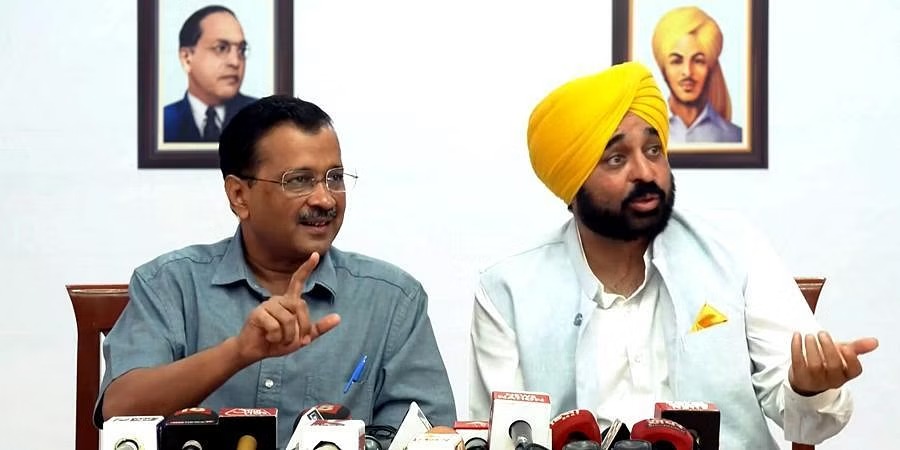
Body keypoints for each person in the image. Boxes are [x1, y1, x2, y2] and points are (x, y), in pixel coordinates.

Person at [468, 62, 878, 448]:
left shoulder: (734, 249)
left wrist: (808, 388)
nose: (646, 173)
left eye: (653, 151)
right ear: (571, 184)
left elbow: (810, 419)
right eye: (616, 159)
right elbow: (502, 437)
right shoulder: (508, 290)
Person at [99, 95, 457, 448]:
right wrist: (238, 352)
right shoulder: (169, 285)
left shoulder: (392, 299)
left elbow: (429, 435)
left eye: (334, 178)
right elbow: (120, 411)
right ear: (239, 195)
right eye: (299, 180)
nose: (325, 199)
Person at [163, 5, 256, 143]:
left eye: (241, 50)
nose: (235, 62)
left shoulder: (262, 119)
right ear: (187, 58)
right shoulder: (163, 123)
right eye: (221, 48)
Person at [651, 6, 742, 143]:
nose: (687, 72)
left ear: (710, 67)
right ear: (663, 69)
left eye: (698, 61)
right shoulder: (646, 133)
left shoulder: (736, 137)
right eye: (676, 61)